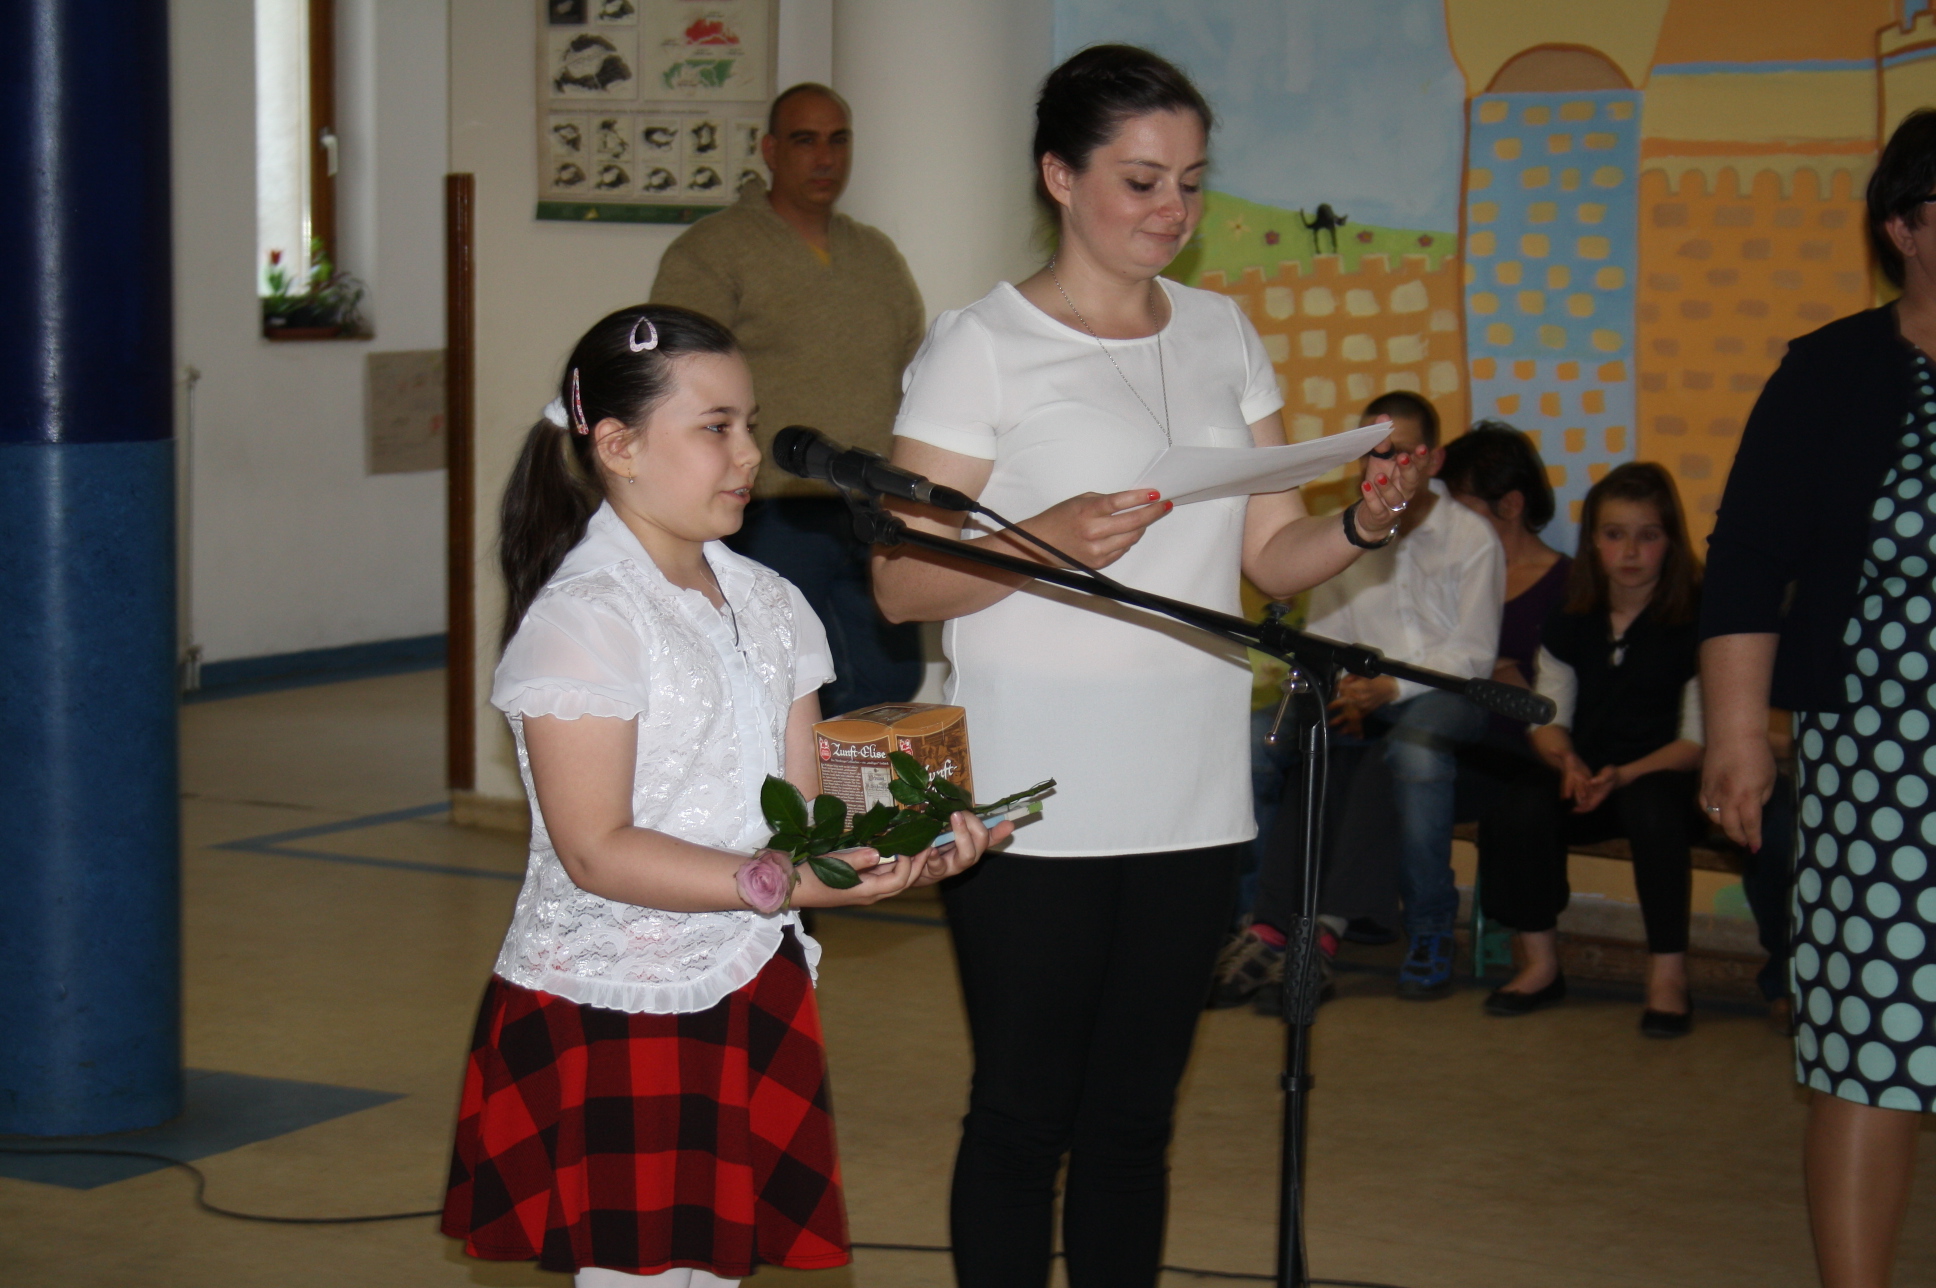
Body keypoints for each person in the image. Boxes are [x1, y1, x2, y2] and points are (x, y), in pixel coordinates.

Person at [869, 46, 1423, 1288]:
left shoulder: (1224, 332)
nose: (1172, 209)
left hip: (1189, 786)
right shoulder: (981, 346)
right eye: (1140, 180)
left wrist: (1365, 521)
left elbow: (1268, 557)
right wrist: (1047, 541)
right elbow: (900, 581)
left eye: (1191, 181)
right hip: (1027, 796)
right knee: (1023, 1113)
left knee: (1134, 1121)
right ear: (1059, 177)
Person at [439, 305, 1004, 1288]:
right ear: (617, 445)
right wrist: (781, 883)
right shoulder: (584, 619)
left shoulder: (771, 601)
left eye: (749, 423)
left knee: (713, 1273)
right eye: (715, 427)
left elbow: (804, 812)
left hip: (747, 973)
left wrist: (903, 844)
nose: (747, 454)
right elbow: (596, 849)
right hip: (619, 999)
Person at [1702, 109, 1936, 1288]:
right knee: (1873, 1040)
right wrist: (1738, 734)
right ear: (1903, 228)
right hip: (1882, 756)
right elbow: (1748, 560)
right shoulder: (1832, 373)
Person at [650, 83, 925, 716]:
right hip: (770, 509)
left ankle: (849, 786)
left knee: (890, 680)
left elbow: (914, 369)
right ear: (772, 151)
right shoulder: (713, 250)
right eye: (805, 141)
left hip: (870, 505)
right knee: (784, 681)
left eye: (838, 140)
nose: (825, 158)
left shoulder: (875, 254)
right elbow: (677, 379)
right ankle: (792, 785)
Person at [1235, 392, 1503, 1003]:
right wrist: (1344, 688)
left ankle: (1430, 927)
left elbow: (1473, 656)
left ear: (1432, 459)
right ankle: (1258, 926)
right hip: (1361, 690)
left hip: (1445, 694)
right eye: (1370, 453)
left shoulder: (1471, 537)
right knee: (1258, 743)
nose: (1382, 467)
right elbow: (1326, 634)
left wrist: (1391, 687)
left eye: (1398, 453)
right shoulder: (1343, 528)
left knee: (1414, 753)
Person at [1479, 463, 1704, 1035]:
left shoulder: (1696, 618)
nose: (1629, 551)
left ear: (1670, 541)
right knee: (1523, 803)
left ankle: (1668, 976)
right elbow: (1548, 716)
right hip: (1588, 775)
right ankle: (1541, 963)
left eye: (1647, 536)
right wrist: (1566, 761)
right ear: (1593, 542)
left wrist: (1623, 775)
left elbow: (1696, 741)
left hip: (1665, 775)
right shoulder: (1571, 614)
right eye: (1613, 534)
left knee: (1653, 809)